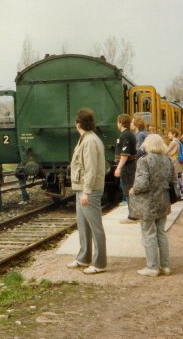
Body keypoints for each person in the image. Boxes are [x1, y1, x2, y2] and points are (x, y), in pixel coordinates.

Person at [129, 134, 177, 276]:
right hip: (163, 202)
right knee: (161, 233)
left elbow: (142, 183)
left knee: (149, 234)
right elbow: (173, 181)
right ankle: (165, 266)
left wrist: (133, 189)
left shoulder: (145, 160)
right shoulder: (168, 160)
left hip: (148, 203)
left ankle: (152, 267)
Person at [66, 108, 107, 275]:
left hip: (88, 190)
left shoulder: (89, 141)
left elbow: (90, 169)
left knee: (95, 226)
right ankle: (84, 257)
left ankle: (100, 262)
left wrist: (86, 192)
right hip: (81, 188)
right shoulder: (85, 139)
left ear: (78, 124)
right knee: (83, 225)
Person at [114, 114, 138, 223]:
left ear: (121, 122)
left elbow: (124, 154)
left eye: (117, 122)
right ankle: (134, 214)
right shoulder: (130, 134)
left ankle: (132, 216)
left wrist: (119, 168)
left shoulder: (125, 135)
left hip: (127, 167)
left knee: (129, 190)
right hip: (130, 166)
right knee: (129, 190)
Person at [165, 129, 183, 200]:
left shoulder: (173, 142)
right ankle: (182, 194)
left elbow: (166, 151)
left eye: (169, 134)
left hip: (175, 163)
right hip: (179, 162)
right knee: (180, 179)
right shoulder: (179, 142)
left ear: (174, 134)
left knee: (176, 179)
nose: (168, 135)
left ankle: (178, 195)